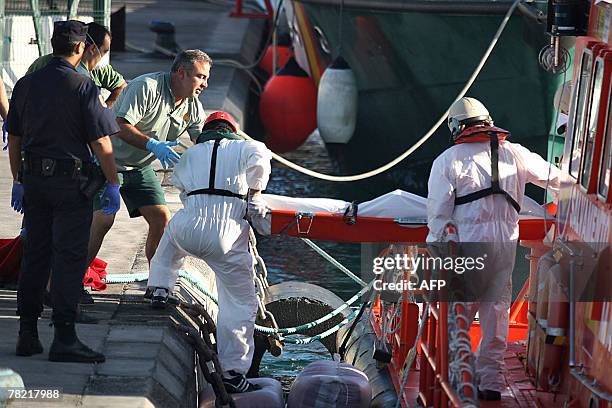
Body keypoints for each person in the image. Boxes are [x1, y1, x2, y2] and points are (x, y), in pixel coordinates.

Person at [426, 97, 561, 400]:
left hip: (468, 244)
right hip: (505, 243)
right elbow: (557, 179)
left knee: (459, 314)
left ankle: (454, 380)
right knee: (496, 311)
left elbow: (438, 215)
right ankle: (490, 384)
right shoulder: (516, 154)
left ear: (456, 126)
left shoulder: (449, 160)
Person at [7, 20, 121, 363]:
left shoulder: (26, 84)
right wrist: (113, 182)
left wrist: (19, 179)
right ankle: (64, 337)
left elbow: (14, 137)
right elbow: (101, 142)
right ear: (81, 48)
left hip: (35, 182)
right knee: (69, 258)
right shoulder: (83, 87)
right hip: (71, 186)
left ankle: (27, 333)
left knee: (35, 257)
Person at [146, 111, 271, 393]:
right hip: (227, 234)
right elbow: (261, 157)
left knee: (169, 243)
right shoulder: (246, 146)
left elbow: (179, 183)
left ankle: (159, 288)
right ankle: (232, 372)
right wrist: (254, 194)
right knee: (239, 305)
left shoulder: (191, 153)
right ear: (232, 130)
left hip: (190, 225)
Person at [86, 49, 210, 275]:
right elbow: (119, 125)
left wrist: (226, 143)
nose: (205, 84)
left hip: (140, 167)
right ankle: (72, 280)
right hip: (108, 163)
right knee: (103, 220)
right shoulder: (147, 87)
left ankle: (157, 281)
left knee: (161, 219)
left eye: (206, 78)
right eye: (201, 77)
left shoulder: (193, 105)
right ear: (181, 73)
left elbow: (200, 139)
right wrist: (153, 144)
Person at [27, 22, 126, 108]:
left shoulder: (100, 70)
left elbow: (122, 87)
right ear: (83, 47)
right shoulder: (85, 84)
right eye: (104, 51)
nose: (102, 57)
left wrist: (106, 107)